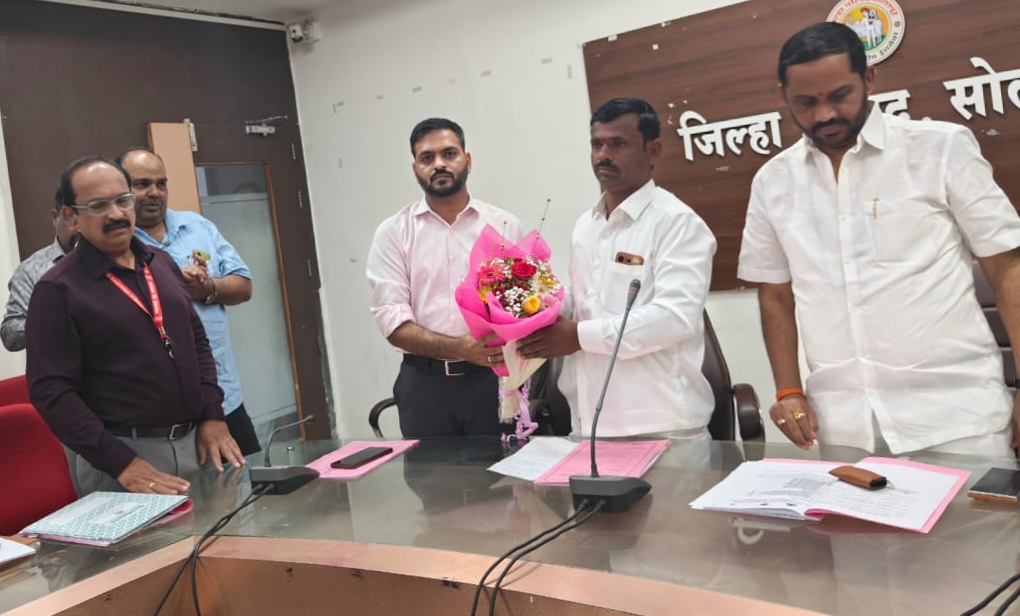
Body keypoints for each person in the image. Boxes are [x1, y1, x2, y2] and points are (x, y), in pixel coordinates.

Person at [737, 22, 1020, 456]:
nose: (824, 115)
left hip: (957, 416)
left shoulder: (939, 148)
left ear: (868, 79)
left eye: (839, 96)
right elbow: (775, 293)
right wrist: (788, 389)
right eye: (806, 102)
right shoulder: (772, 181)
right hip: (844, 426)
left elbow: (1006, 268)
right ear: (783, 96)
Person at [26, 156, 245, 496]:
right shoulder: (58, 289)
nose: (116, 214)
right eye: (98, 205)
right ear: (70, 216)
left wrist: (212, 414)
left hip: (196, 442)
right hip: (124, 459)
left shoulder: (161, 264)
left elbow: (196, 342)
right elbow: (51, 392)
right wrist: (120, 462)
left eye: (122, 200)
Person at [518, 98, 717, 438]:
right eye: (597, 144)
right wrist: (533, 311)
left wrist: (577, 337)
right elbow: (582, 302)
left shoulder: (677, 222)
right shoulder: (586, 225)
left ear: (653, 150)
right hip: (589, 423)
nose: (603, 155)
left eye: (619, 144)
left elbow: (674, 317)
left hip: (662, 425)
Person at [366, 118, 523, 437]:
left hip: (493, 380)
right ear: (415, 169)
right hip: (425, 386)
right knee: (432, 470)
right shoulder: (394, 233)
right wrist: (459, 348)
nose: (438, 164)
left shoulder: (504, 226)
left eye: (449, 154)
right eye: (427, 158)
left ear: (468, 160)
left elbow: (524, 303)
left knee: (505, 468)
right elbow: (392, 321)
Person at [117, 147, 260, 456]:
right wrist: (171, 288)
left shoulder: (198, 227)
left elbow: (244, 286)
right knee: (192, 485)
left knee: (251, 478)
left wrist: (209, 288)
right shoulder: (118, 245)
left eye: (161, 183)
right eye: (142, 184)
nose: (154, 192)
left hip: (224, 395)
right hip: (168, 414)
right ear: (120, 189)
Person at [1, 189, 78, 352]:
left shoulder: (117, 257)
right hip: (63, 364)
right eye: (71, 218)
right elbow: (10, 334)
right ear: (55, 217)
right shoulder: (31, 270)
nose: (80, 228)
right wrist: (53, 321)